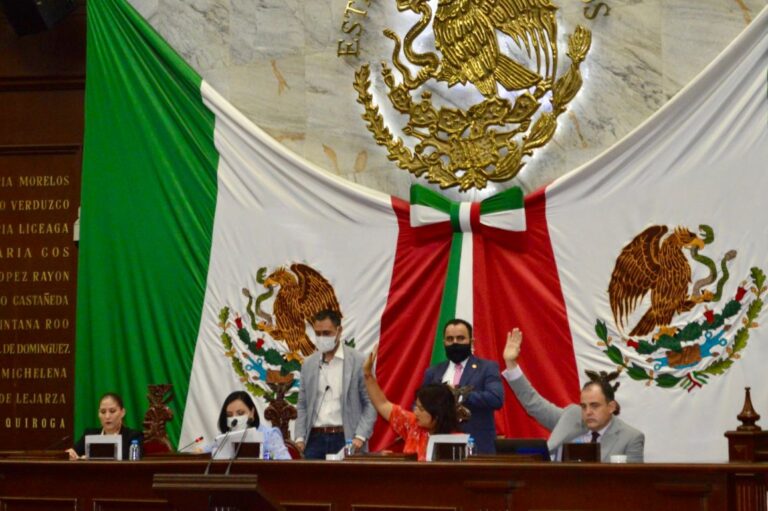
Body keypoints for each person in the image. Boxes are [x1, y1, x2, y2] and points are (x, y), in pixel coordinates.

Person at [502, 328, 644, 462]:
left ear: (611, 406)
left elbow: (633, 479)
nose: (588, 412)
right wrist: (511, 363)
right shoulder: (572, 416)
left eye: (595, 406)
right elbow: (534, 404)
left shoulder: (630, 438)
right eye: (584, 406)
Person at [294, 309, 377, 459]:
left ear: (339, 331)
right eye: (318, 333)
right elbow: (302, 404)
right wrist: (299, 438)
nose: (321, 338)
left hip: (347, 439)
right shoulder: (309, 364)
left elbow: (371, 402)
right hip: (314, 440)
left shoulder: (359, 361)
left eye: (326, 333)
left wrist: (360, 436)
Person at [421, 318, 504, 454]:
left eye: (460, 338)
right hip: (439, 446)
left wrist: (459, 394)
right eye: (450, 339)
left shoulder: (487, 368)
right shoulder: (433, 372)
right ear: (444, 342)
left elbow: (496, 398)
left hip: (477, 447)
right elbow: (419, 406)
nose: (455, 343)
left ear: (471, 341)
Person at [364, 346, 460, 461]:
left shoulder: (454, 441)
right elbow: (382, 404)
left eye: (421, 409)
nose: (415, 411)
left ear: (437, 414)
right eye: (416, 406)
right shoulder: (413, 424)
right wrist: (367, 373)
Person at [211, 390, 291, 460]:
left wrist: (266, 457)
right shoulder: (223, 438)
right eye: (229, 415)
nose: (234, 418)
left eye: (240, 413)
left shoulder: (270, 435)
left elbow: (285, 463)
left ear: (252, 412)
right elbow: (208, 453)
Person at [66, 392, 143, 460]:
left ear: (122, 412)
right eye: (103, 412)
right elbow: (72, 452)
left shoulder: (133, 436)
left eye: (112, 411)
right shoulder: (89, 434)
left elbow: (132, 461)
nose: (107, 416)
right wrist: (71, 454)